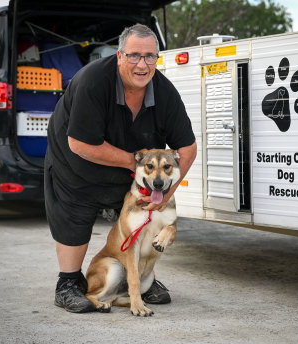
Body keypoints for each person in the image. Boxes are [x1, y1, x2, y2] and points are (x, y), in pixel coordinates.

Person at [44, 23, 197, 313]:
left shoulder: (165, 93)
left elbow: (188, 149)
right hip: (75, 159)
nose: (143, 64)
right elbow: (79, 144)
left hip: (131, 165)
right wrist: (134, 162)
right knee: (74, 210)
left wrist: (168, 191)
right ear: (119, 56)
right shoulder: (93, 81)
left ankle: (135, 277)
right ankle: (67, 284)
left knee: (141, 215)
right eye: (135, 56)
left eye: (150, 56)